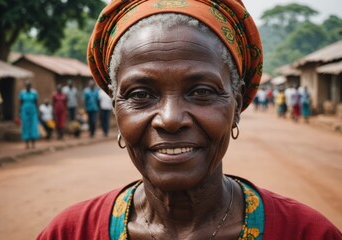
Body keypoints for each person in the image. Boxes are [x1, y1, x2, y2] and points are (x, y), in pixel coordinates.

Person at [37, 0, 342, 239]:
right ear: (116, 109)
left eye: (201, 91)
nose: (170, 120)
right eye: (141, 95)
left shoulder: (307, 233)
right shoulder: (68, 233)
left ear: (236, 106)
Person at [19, 80, 39, 149]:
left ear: (30, 86)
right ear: (25, 86)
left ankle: (33, 144)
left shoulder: (34, 93)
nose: (28, 86)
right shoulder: (22, 93)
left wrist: (38, 112)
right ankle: (26, 144)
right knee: (25, 126)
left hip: (33, 111)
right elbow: (20, 103)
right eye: (26, 85)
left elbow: (36, 102)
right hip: (24, 111)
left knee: (33, 126)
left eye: (29, 85)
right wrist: (20, 112)